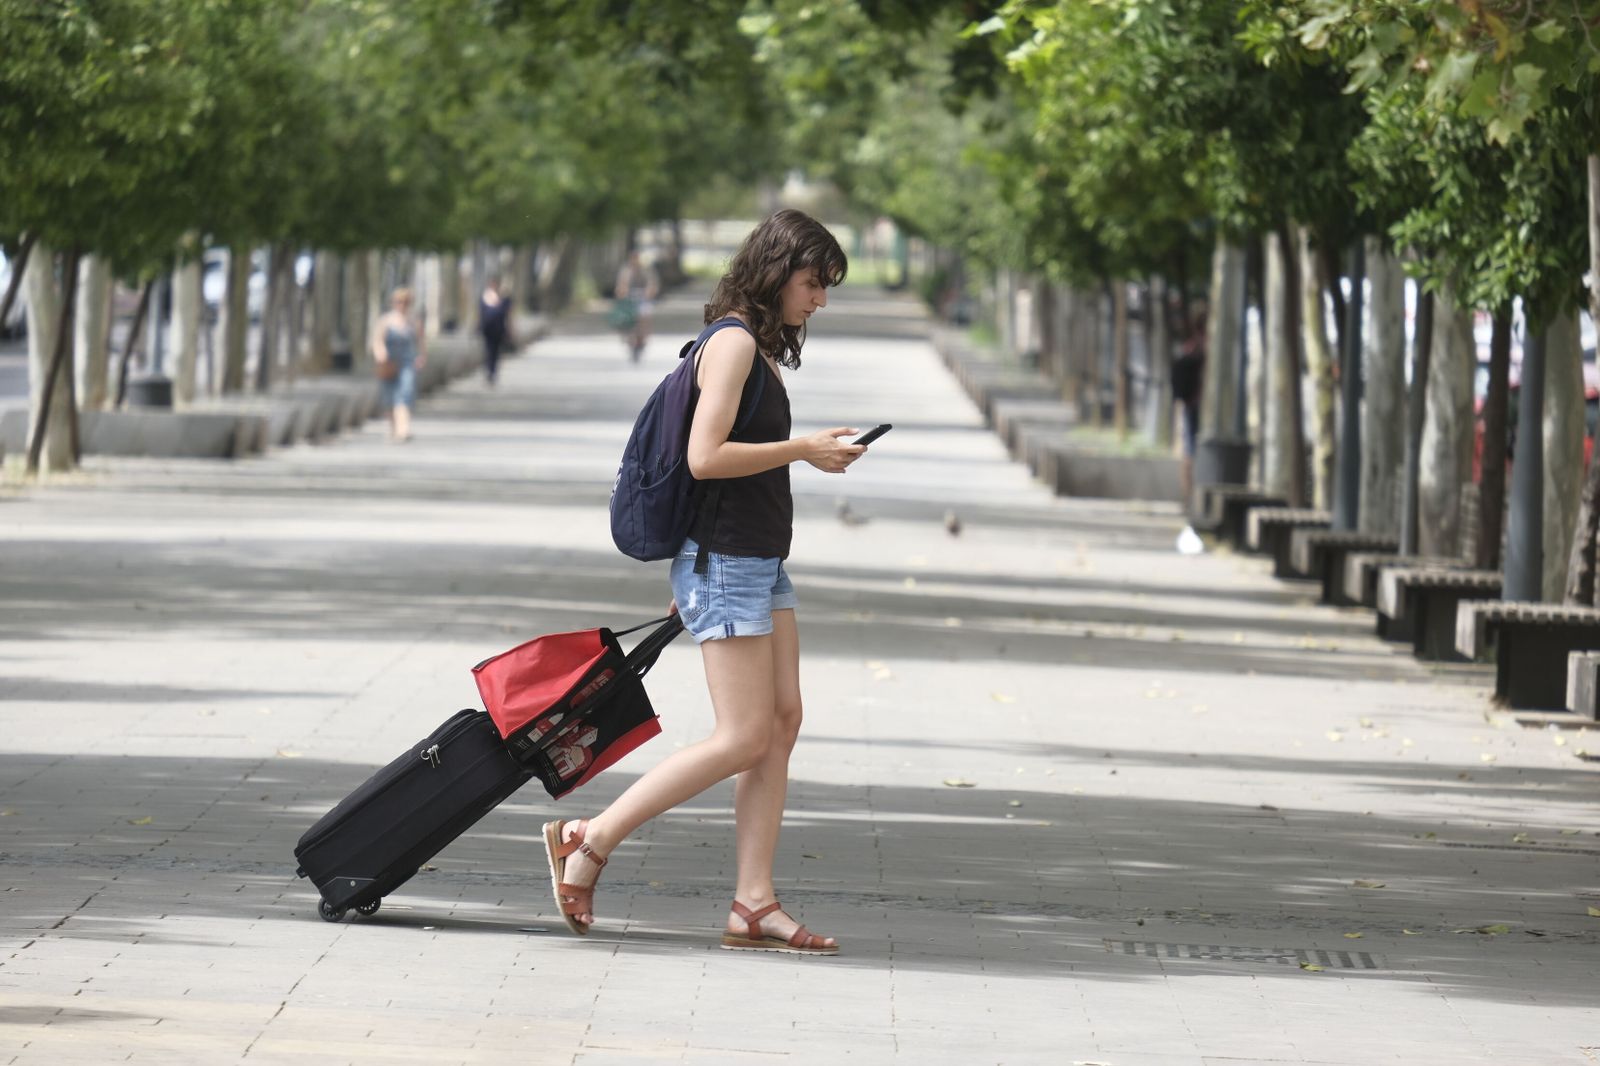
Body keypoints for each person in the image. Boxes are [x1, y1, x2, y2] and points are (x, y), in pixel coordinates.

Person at [544, 209, 862, 955]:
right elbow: (704, 457)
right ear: (777, 271)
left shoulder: (753, 346)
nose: (820, 300)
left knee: (781, 722)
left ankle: (754, 903)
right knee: (744, 736)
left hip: (755, 562)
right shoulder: (733, 342)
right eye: (813, 283)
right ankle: (589, 839)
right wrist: (804, 450)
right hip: (728, 562)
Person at [373, 287, 426, 442]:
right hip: (389, 362)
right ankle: (393, 428)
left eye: (405, 302)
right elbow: (377, 340)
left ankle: (404, 429)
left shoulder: (413, 321)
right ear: (393, 303)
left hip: (407, 362)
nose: (402, 305)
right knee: (390, 396)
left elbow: (421, 341)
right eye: (398, 301)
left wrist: (422, 356)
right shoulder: (386, 321)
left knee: (405, 393)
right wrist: (380, 353)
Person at [614, 250, 659, 363]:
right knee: (626, 319)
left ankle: (644, 337)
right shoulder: (626, 271)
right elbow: (621, 284)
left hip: (643, 298)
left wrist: (650, 291)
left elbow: (652, 283)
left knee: (645, 317)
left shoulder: (646, 271)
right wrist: (622, 291)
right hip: (630, 298)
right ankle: (628, 338)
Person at [478, 277, 516, 387]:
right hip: (488, 329)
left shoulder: (504, 300)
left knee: (496, 351)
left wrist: (511, 330)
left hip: (499, 330)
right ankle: (490, 371)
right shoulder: (484, 298)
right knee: (489, 350)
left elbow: (508, 316)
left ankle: (493, 371)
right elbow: (480, 314)